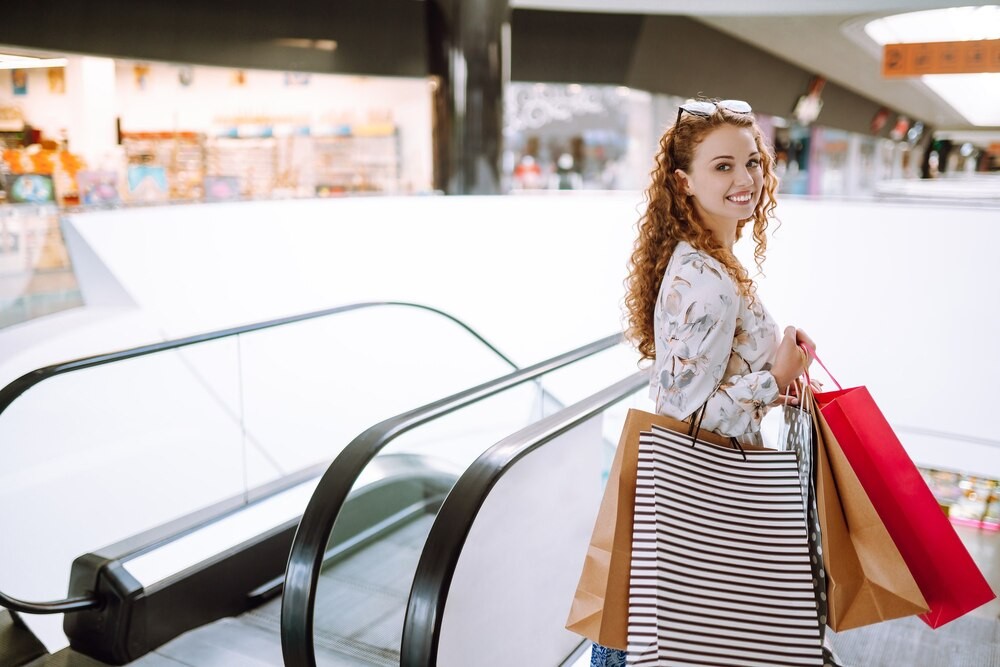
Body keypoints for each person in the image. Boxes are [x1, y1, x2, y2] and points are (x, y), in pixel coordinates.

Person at [596, 99, 818, 666]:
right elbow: (687, 415)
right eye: (723, 166)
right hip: (706, 499)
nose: (746, 179)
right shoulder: (709, 281)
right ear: (683, 181)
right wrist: (774, 379)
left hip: (698, 494)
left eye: (753, 162)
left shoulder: (707, 260)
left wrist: (776, 363)